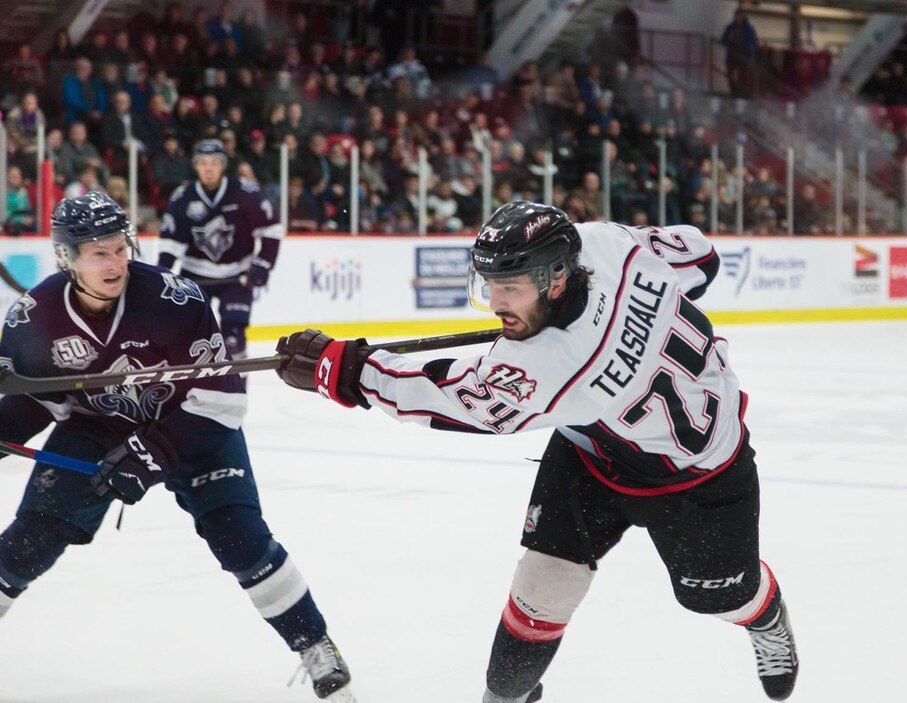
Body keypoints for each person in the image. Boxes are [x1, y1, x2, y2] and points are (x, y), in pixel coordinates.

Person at [275, 202, 800, 702]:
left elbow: (440, 398)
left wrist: (341, 369)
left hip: (699, 477)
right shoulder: (604, 242)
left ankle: (765, 614)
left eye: (510, 286)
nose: (497, 301)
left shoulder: (553, 367)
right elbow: (699, 256)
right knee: (542, 586)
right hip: (593, 448)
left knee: (719, 597)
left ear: (556, 277)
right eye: (490, 284)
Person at [0, 193, 353, 700]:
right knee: (28, 541)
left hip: (188, 427)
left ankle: (315, 643)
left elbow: (221, 402)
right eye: (98, 252)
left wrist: (148, 455)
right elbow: (34, 403)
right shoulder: (32, 319)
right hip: (96, 427)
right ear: (66, 257)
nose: (115, 261)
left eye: (120, 247)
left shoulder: (174, 300)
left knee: (242, 540)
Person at [157, 139, 282, 358]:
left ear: (223, 165)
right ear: (195, 165)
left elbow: (271, 229)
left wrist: (262, 266)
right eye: (203, 162)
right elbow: (170, 243)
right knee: (189, 338)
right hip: (195, 275)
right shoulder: (183, 197)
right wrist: (161, 275)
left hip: (236, 276)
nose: (208, 168)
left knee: (233, 340)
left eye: (214, 162)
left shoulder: (244, 192)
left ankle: (237, 390)